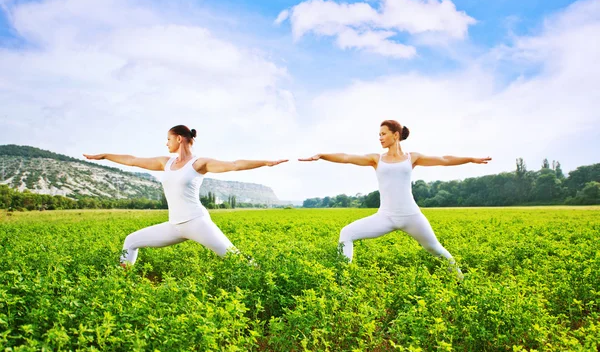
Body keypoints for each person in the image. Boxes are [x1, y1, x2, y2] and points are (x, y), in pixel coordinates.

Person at [299, 120, 491, 279]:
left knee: (435, 249)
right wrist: (322, 155)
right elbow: (347, 157)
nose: (380, 137)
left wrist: (471, 159)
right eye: (379, 134)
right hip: (386, 217)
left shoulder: (412, 158)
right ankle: (342, 279)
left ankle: (462, 280)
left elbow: (444, 159)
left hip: (411, 216)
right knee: (346, 233)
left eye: (383, 133)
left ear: (396, 135)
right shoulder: (376, 159)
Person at [84, 125, 287, 266]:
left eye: (168, 139)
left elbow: (234, 164)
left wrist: (266, 162)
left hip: (197, 223)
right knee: (130, 241)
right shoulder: (166, 162)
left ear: (179, 139)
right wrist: (104, 156)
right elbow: (133, 160)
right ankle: (123, 282)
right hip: (175, 226)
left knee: (235, 258)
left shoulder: (199, 163)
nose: (166, 144)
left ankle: (263, 276)